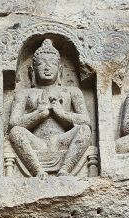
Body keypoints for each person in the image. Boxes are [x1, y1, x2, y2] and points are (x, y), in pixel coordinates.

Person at [8, 38, 92, 178]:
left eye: (52, 64)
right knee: (16, 132)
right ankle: (38, 171)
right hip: (37, 142)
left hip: (61, 141)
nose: (47, 68)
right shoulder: (24, 94)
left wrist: (62, 113)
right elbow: (13, 124)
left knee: (84, 130)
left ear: (60, 70)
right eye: (41, 64)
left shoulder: (71, 92)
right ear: (32, 71)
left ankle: (65, 169)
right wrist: (39, 114)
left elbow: (86, 121)